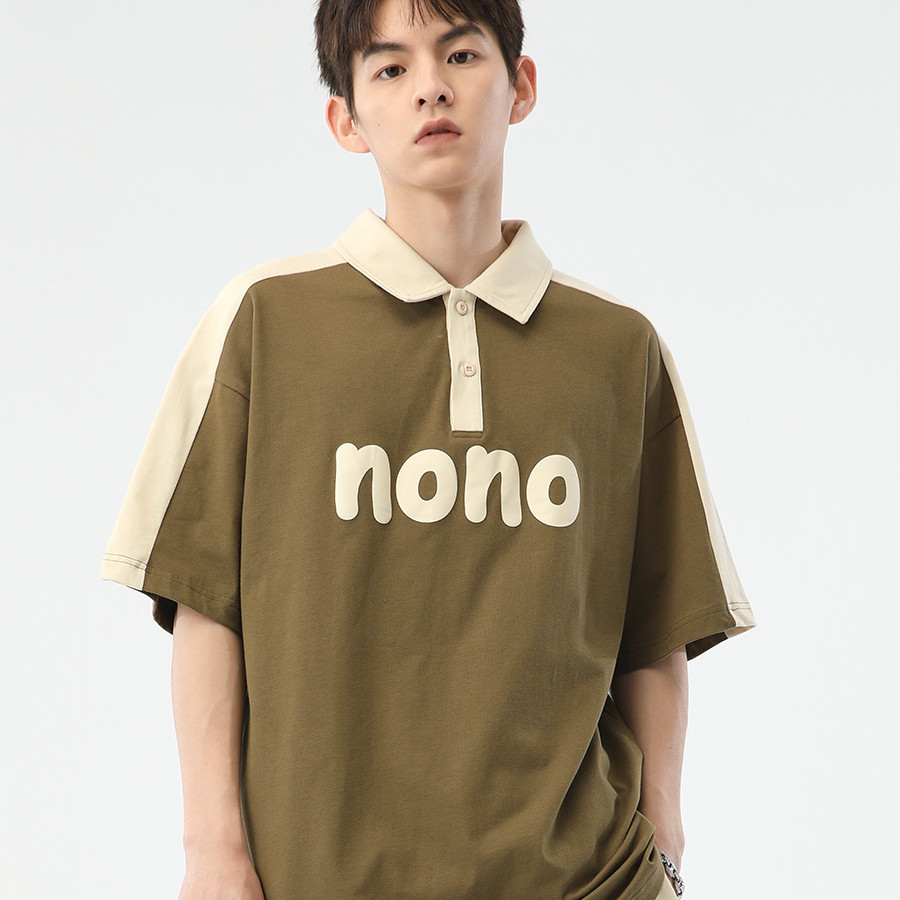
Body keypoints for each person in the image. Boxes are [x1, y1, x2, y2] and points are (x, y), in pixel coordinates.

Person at [100, 1, 755, 897]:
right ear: (346, 119)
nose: (431, 88)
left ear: (521, 86)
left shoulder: (617, 348)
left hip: (583, 881)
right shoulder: (265, 322)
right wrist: (212, 854)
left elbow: (656, 631)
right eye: (391, 68)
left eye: (461, 55)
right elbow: (206, 604)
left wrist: (665, 847)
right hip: (317, 879)